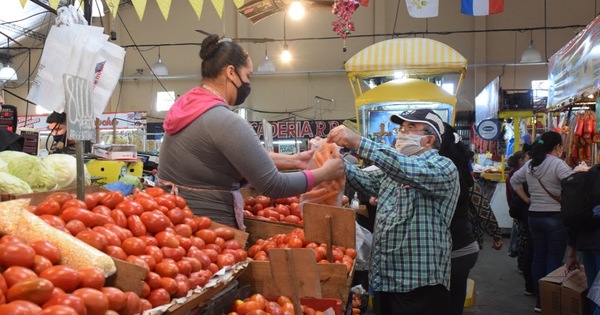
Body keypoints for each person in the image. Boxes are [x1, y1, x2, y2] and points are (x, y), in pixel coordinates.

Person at [157, 34, 344, 230]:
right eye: (248, 76)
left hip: (177, 223)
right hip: (208, 232)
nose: (249, 83)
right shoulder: (224, 121)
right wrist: (324, 173)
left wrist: (295, 160)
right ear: (231, 73)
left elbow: (244, 156)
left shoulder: (190, 107)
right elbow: (273, 185)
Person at [327, 109, 459, 315]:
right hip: (386, 280)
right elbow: (362, 179)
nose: (402, 133)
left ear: (429, 139)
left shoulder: (443, 167)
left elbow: (406, 170)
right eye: (402, 128)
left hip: (419, 284)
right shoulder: (392, 171)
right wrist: (331, 156)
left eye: (411, 128)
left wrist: (358, 142)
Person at [439, 123, 503, 315]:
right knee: (454, 303)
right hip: (464, 248)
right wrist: (496, 233)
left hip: (449, 252)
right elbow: (481, 205)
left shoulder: (434, 174)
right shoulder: (463, 174)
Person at [510, 131, 573, 313]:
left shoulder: (531, 165)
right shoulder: (557, 164)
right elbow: (572, 183)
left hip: (534, 216)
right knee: (553, 260)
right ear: (558, 146)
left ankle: (540, 299)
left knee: (539, 257)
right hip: (554, 217)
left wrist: (528, 199)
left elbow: (514, 180)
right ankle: (548, 301)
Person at [506, 148, 535, 296]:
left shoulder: (525, 170)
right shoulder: (526, 170)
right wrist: (527, 199)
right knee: (530, 243)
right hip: (526, 212)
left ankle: (529, 281)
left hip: (524, 211)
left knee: (526, 241)